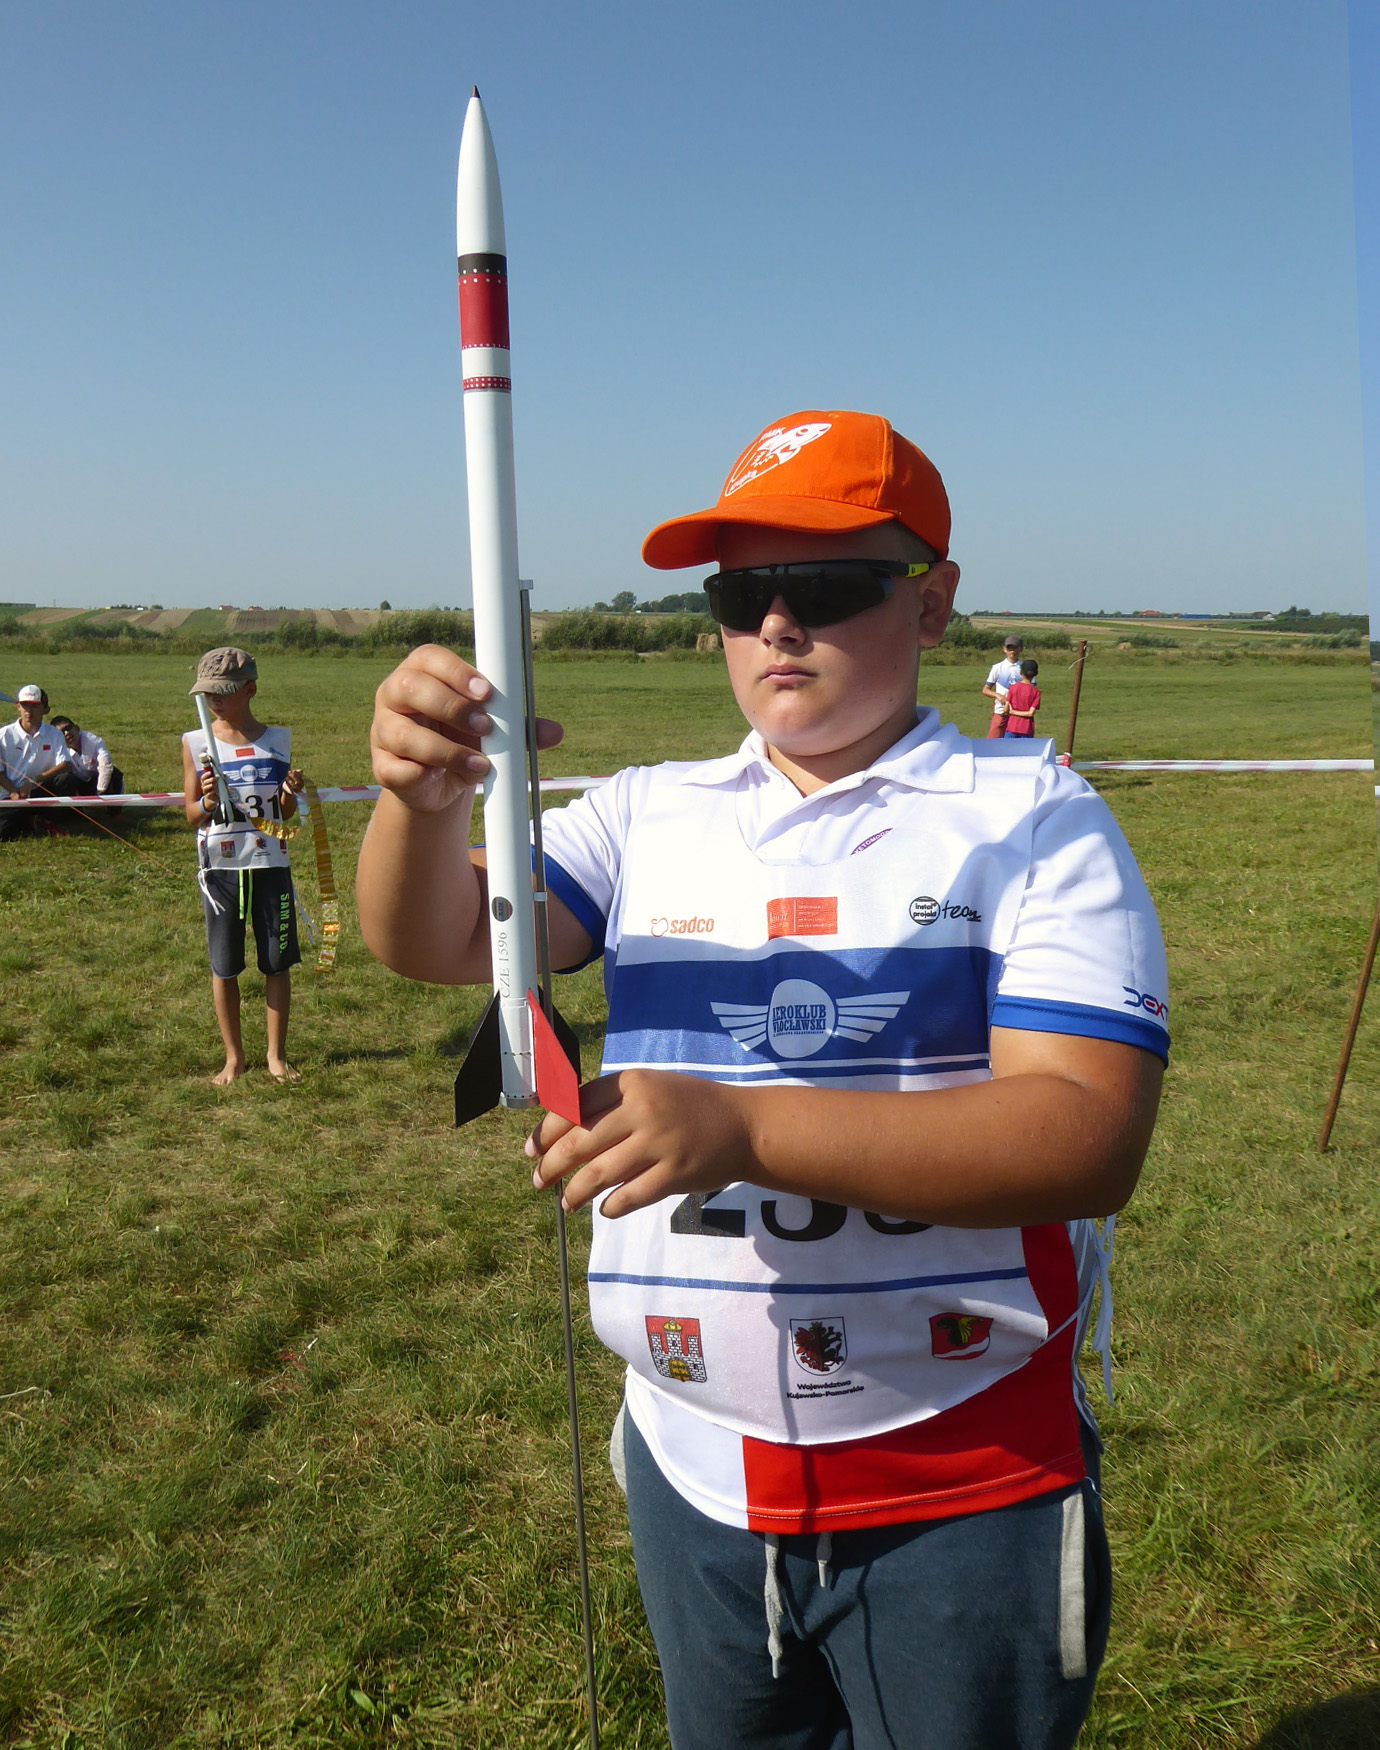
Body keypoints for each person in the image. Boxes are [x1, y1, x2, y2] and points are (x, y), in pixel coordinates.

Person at [357, 409, 1169, 1750]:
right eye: (742, 594)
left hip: (962, 1471)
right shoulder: (643, 812)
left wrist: (742, 1124)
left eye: (828, 583)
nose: (779, 623)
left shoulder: (1035, 816)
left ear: (932, 601)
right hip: (693, 1470)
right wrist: (419, 800)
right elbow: (438, 937)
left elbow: (1086, 1135)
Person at [180, 647, 305, 1085]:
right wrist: (207, 802)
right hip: (221, 870)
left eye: (224, 691)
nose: (214, 700)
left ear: (250, 690)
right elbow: (191, 814)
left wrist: (289, 792)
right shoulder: (196, 742)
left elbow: (284, 814)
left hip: (270, 864)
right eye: (207, 693)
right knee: (225, 964)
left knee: (276, 962)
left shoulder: (278, 740)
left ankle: (276, 1055)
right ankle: (233, 1057)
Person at [0, 685, 70, 839]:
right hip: (12, 794)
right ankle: (29, 820)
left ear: (45, 710)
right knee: (4, 834)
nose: (29, 711)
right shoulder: (3, 735)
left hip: (42, 789)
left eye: (35, 706)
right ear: (18, 707)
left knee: (66, 779)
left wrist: (33, 781)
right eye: (25, 705)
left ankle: (47, 819)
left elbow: (65, 764)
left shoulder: (54, 734)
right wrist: (12, 791)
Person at [47, 715, 125, 798]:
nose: (67, 733)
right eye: (62, 732)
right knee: (65, 778)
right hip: (78, 784)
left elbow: (105, 763)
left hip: (98, 782)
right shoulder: (57, 749)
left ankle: (111, 804)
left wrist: (100, 792)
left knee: (113, 773)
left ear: (77, 728)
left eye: (68, 728)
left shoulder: (93, 741)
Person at [981, 635, 1025, 738]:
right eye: (1009, 648)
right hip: (1000, 711)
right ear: (1004, 650)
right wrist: (997, 695)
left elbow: (1030, 689)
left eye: (1015, 648)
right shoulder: (997, 667)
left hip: (1018, 713)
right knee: (993, 741)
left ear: (1020, 649)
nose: (1012, 651)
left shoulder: (1025, 668)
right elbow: (985, 689)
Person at [1003, 658, 1042, 738]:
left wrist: (1012, 712)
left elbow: (1006, 709)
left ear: (1020, 672)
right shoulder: (1036, 692)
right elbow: (1030, 713)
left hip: (1012, 727)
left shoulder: (1013, 688)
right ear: (1036, 674)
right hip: (1027, 729)